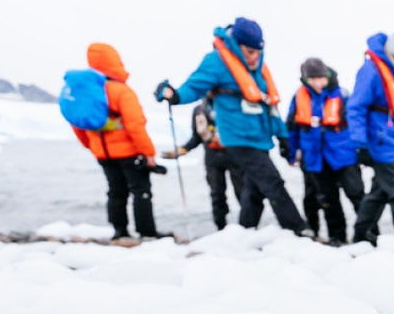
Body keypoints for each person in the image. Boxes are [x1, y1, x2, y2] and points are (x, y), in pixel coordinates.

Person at [155, 17, 310, 236]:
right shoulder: (217, 61)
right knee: (272, 182)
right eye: (249, 51)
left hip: (261, 137)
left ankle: (244, 234)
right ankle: (299, 230)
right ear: (237, 44)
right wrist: (175, 95)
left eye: (258, 51)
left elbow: (271, 105)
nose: (254, 56)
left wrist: (283, 138)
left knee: (253, 190)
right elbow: (194, 87)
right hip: (238, 137)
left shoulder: (258, 65)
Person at [69, 43, 170, 241]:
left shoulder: (87, 93)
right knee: (141, 191)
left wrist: (93, 147)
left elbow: (78, 124)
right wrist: (148, 153)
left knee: (116, 192)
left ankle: (119, 232)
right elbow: (135, 125)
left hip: (103, 154)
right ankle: (147, 233)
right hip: (129, 153)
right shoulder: (122, 91)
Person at [346, 30, 394, 245]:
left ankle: (361, 235)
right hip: (381, 141)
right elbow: (355, 108)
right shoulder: (371, 71)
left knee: (379, 192)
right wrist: (360, 144)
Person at [286, 58, 365, 245]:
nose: (316, 83)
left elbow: (357, 123)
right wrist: (291, 152)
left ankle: (368, 234)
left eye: (319, 78)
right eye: (312, 79)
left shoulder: (342, 94)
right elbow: (291, 127)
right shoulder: (299, 98)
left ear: (326, 75)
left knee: (357, 194)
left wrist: (361, 150)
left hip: (344, 154)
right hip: (315, 157)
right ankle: (337, 237)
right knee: (328, 200)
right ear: (305, 79)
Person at [163, 95, 244, 230]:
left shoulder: (233, 106)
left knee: (243, 192)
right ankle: (221, 227)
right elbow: (197, 136)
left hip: (235, 156)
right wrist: (184, 149)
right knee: (217, 194)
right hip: (213, 159)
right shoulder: (199, 111)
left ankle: (248, 225)